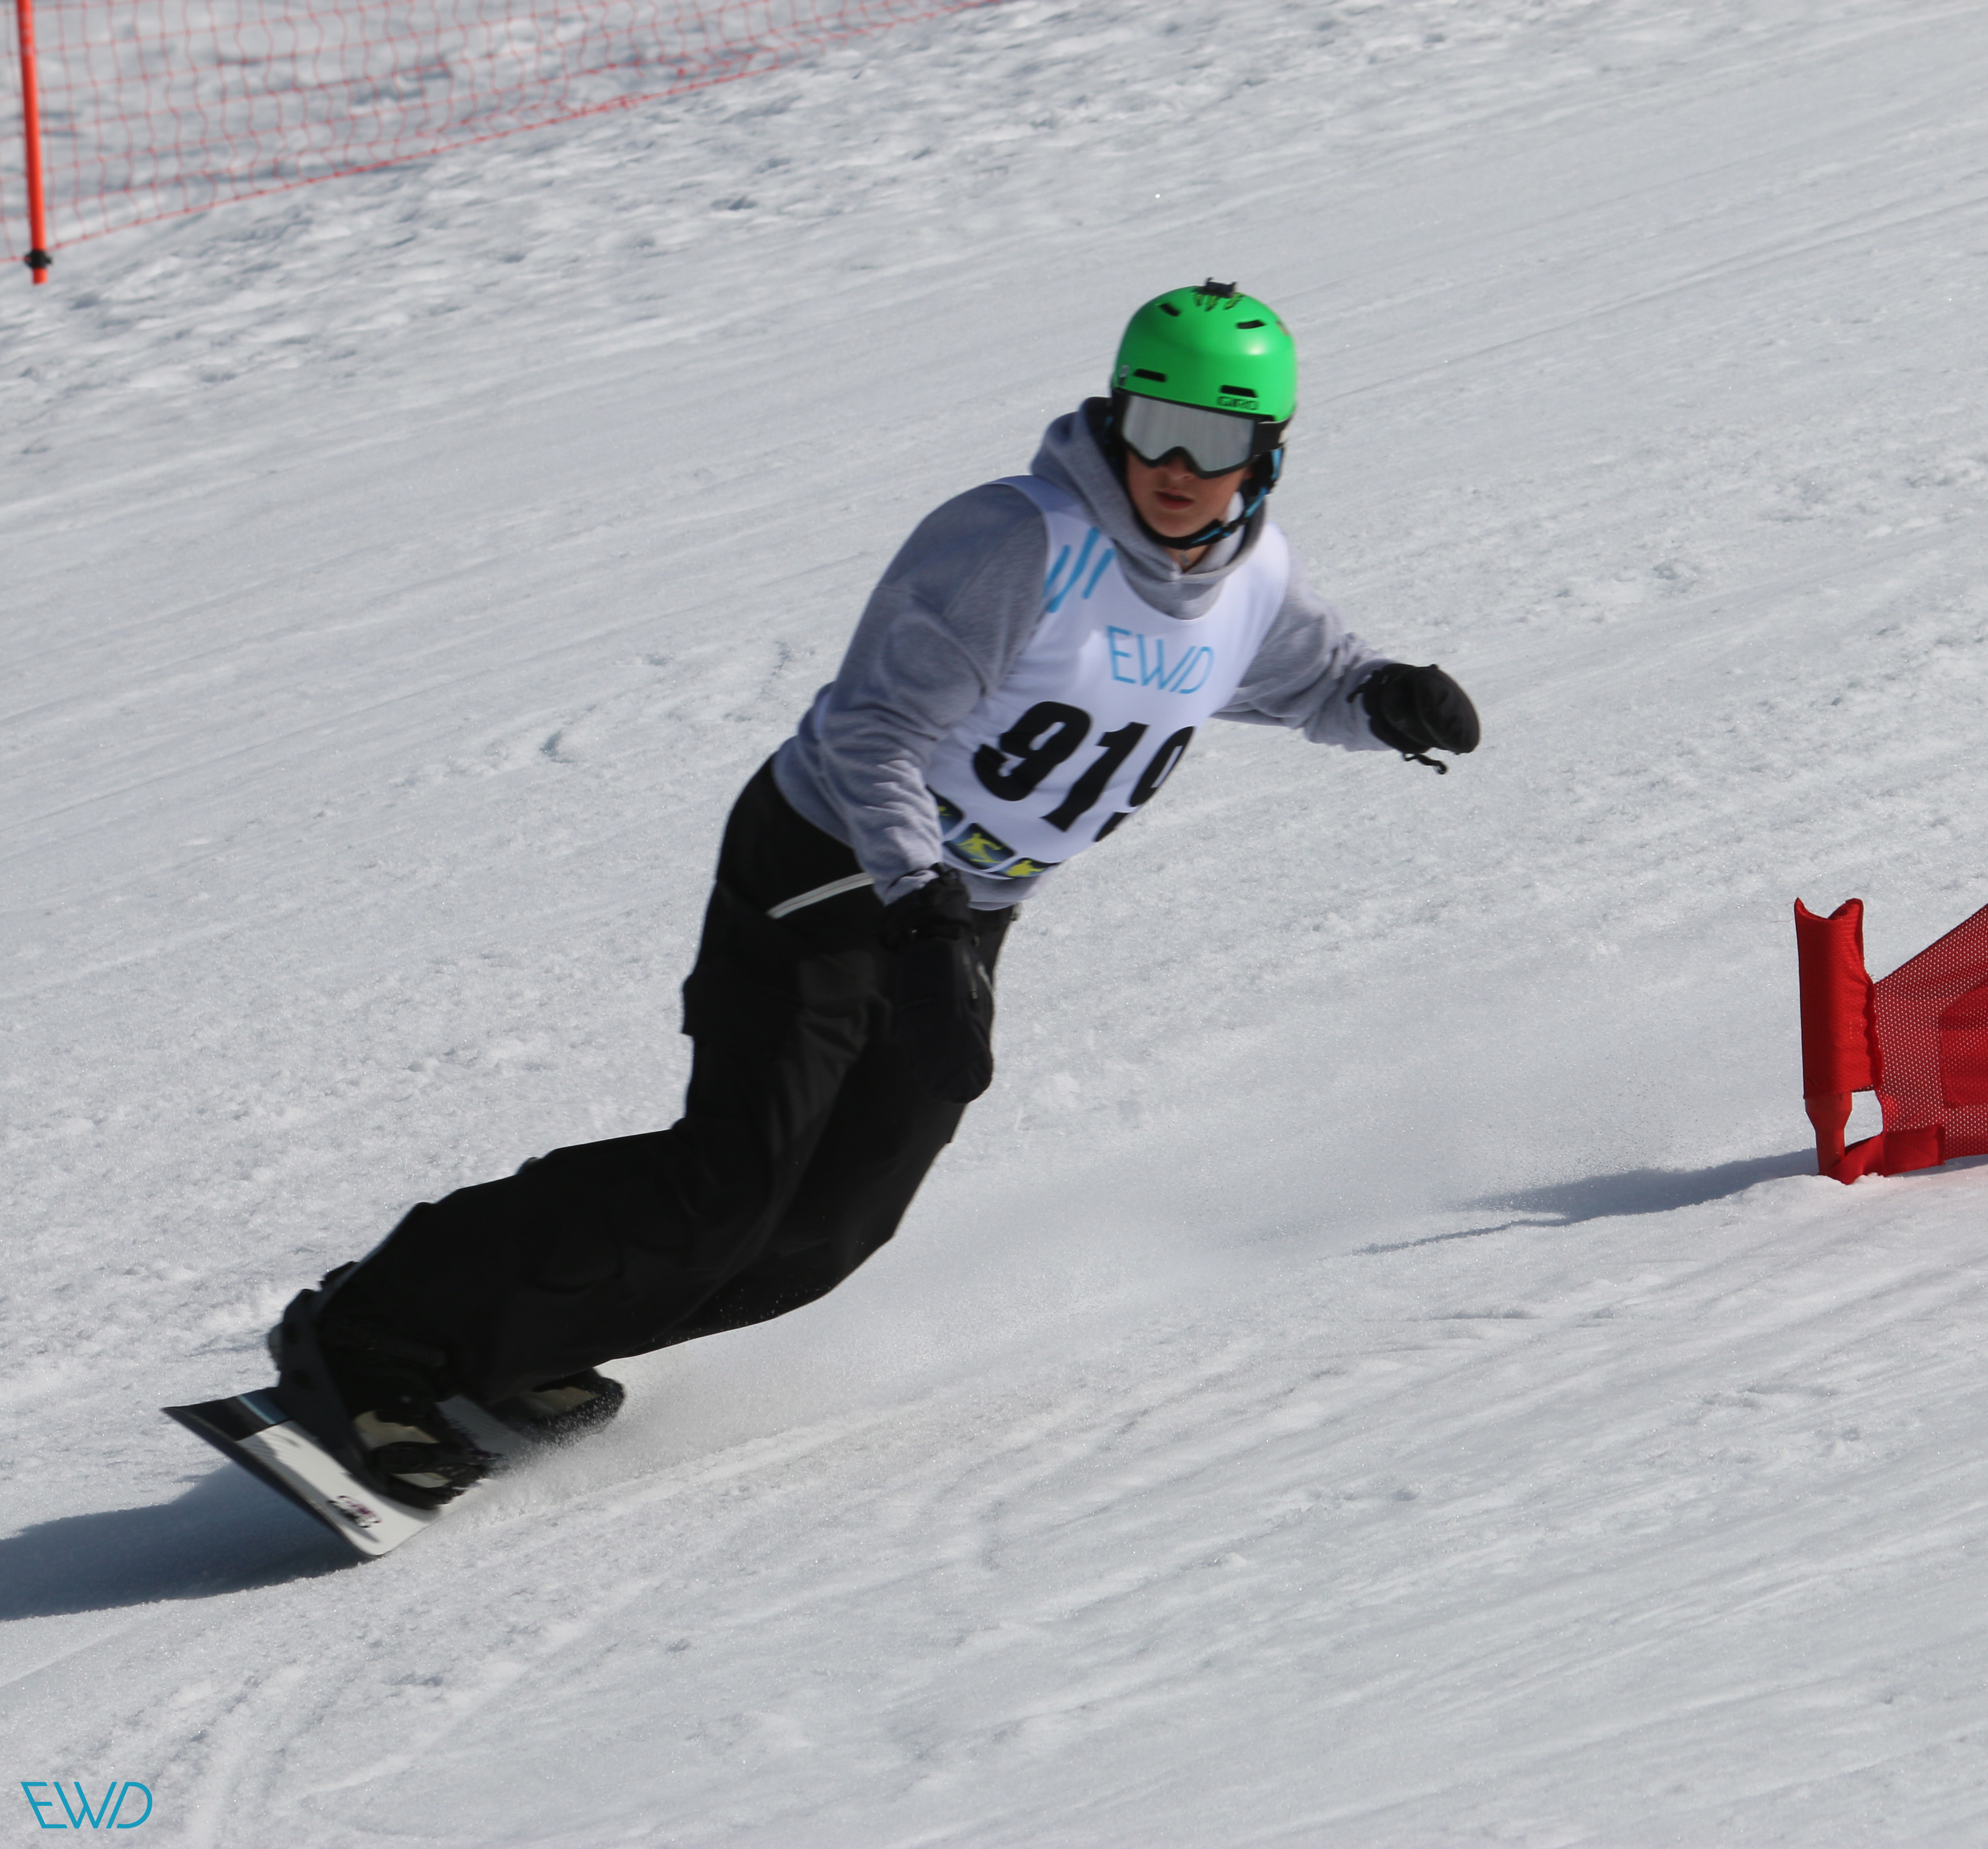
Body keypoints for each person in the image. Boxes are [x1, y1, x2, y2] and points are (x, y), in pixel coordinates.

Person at [256, 280, 1482, 1508]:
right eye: (1154, 424)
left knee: (824, 1235)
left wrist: (1385, 702)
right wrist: (919, 902)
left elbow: (1308, 676)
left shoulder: (1252, 577)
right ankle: (373, 1339)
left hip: (957, 913)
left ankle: (515, 1342)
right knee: (732, 1180)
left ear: (1266, 454)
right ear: (1116, 413)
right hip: (833, 864)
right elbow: (875, 732)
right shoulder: (1023, 542)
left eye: (1212, 441)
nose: (1174, 466)